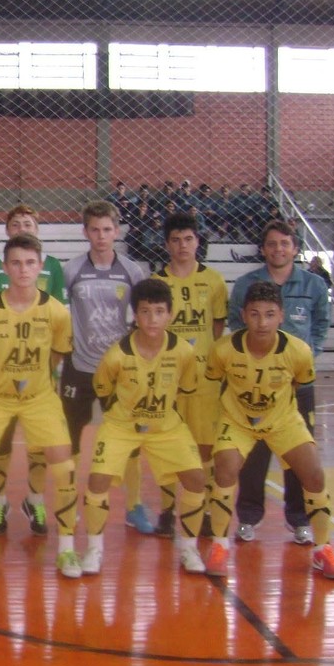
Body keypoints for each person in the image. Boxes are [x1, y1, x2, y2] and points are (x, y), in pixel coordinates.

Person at [204, 281, 334, 580]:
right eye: (255, 314)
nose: (262, 322)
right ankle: (218, 545)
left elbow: (298, 383)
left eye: (269, 314)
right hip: (238, 421)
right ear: (243, 315)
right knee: (225, 468)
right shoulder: (223, 350)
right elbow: (216, 381)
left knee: (314, 473)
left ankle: (323, 549)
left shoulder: (299, 352)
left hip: (282, 420)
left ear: (281, 316)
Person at [0, 234, 76, 578]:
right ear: (5, 267)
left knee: (64, 466)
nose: (23, 270)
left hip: (40, 398)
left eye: (30, 263)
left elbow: (58, 353)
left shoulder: (56, 311)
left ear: (41, 267)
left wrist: (39, 378)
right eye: (16, 263)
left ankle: (68, 550)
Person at [81, 278, 207, 575]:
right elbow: (102, 388)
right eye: (145, 312)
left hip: (166, 425)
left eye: (160, 311)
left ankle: (189, 549)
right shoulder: (117, 355)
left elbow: (187, 388)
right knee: (97, 482)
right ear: (135, 315)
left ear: (170, 314)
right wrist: (121, 415)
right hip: (122, 425)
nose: (152, 319)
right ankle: (94, 549)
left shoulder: (183, 353)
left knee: (196, 480)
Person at [227, 219, 329, 545]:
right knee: (253, 455)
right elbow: (233, 322)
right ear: (263, 249)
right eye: (272, 244)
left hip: (298, 386)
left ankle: (299, 519)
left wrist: (309, 354)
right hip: (255, 387)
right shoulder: (246, 284)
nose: (278, 249)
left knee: (299, 455)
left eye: (284, 243)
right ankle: (248, 517)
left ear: (295, 249)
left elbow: (321, 323)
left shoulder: (313, 285)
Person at [0, 204, 65, 536]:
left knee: (41, 445)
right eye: (16, 224)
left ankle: (35, 500)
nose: (22, 227)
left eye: (28, 223)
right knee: (1, 443)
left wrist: (46, 368)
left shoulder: (52, 266)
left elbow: (58, 326)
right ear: (7, 230)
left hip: (39, 379)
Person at [61, 200, 152, 535]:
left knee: (128, 439)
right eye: (95, 230)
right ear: (86, 232)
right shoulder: (71, 270)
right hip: (79, 367)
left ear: (117, 231)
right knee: (70, 438)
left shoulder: (132, 271)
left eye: (107, 229)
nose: (101, 236)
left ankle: (134, 506)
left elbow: (144, 316)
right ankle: (68, 502)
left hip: (118, 371)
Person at [150, 213, 227, 537]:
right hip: (168, 379)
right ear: (167, 244)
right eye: (176, 240)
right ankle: (167, 511)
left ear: (198, 241)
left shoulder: (214, 281)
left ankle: (206, 510)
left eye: (189, 239)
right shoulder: (157, 283)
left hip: (205, 381)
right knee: (168, 444)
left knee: (205, 447)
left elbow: (218, 326)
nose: (183, 245)